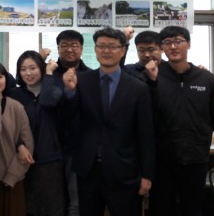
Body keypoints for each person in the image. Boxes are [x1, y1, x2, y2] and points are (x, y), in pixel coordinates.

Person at [63, 27, 155, 216]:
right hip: (88, 170)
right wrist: (70, 92)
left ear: (123, 50)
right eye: (101, 46)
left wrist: (147, 175)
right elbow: (70, 119)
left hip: (124, 171)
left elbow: (146, 134)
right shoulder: (82, 80)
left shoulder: (138, 87)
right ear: (95, 49)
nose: (106, 51)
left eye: (112, 46)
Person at [146, 26, 214, 216]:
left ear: (188, 44)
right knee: (161, 208)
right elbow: (146, 115)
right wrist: (152, 83)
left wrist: (198, 133)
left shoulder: (206, 78)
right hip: (162, 159)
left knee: (192, 208)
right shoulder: (152, 76)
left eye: (178, 41)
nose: (173, 46)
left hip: (195, 158)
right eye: (167, 43)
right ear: (162, 48)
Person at [9, 51, 65, 216]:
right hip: (22, 159)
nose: (28, 73)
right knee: (26, 207)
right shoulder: (14, 94)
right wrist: (19, 145)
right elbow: (9, 126)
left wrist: (49, 74)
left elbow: (47, 101)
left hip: (50, 159)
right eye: (23, 69)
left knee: (52, 207)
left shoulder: (54, 90)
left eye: (33, 68)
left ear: (41, 68)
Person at [0, 60, 33, 216]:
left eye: (0, 77)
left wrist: (12, 176)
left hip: (13, 177)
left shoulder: (16, 107)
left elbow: (28, 144)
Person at [51, 29, 94, 216]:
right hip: (49, 146)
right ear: (58, 48)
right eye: (65, 45)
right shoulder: (48, 74)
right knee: (52, 200)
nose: (70, 49)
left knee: (76, 200)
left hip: (79, 146)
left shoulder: (91, 76)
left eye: (74, 45)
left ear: (82, 49)